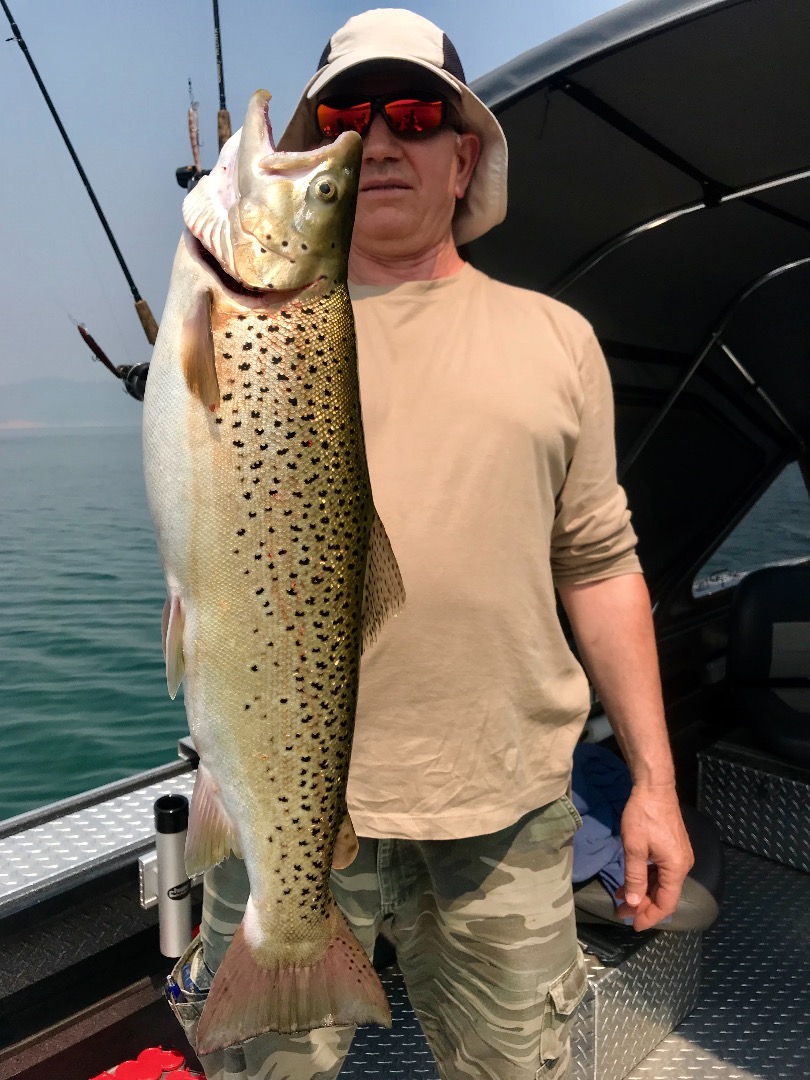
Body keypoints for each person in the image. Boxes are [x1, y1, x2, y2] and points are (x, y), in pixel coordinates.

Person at [168, 9, 694, 1079]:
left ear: (466, 157)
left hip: (503, 805)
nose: (379, 139)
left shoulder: (556, 340)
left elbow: (599, 563)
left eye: (414, 113)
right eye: (349, 117)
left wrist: (653, 783)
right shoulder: (236, 320)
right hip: (282, 798)